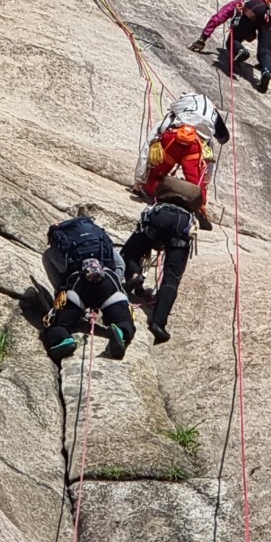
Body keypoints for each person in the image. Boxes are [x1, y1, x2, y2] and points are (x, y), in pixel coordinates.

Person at [40, 216, 134, 363]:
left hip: (78, 287)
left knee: (58, 325)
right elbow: (120, 263)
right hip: (108, 283)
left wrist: (61, 290)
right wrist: (115, 283)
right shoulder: (99, 239)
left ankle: (63, 340)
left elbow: (54, 275)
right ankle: (121, 332)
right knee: (124, 320)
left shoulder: (56, 248)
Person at [121, 190, 197, 344]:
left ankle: (135, 276)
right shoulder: (191, 204)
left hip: (158, 216)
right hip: (182, 223)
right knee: (172, 277)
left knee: (129, 252)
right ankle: (158, 323)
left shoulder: (162, 196)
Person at [191, 0, 271, 94]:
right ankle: (267, 71)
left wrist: (203, 38)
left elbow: (220, 16)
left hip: (252, 9)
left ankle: (240, 50)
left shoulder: (247, 1)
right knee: (264, 51)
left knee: (232, 40)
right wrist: (267, 61)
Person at [138, 124, 212, 226]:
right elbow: (222, 137)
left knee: (156, 175)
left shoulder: (176, 110)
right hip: (195, 144)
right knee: (197, 184)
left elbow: (160, 128)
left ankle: (151, 193)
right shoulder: (212, 115)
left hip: (173, 139)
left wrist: (138, 179)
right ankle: (200, 207)